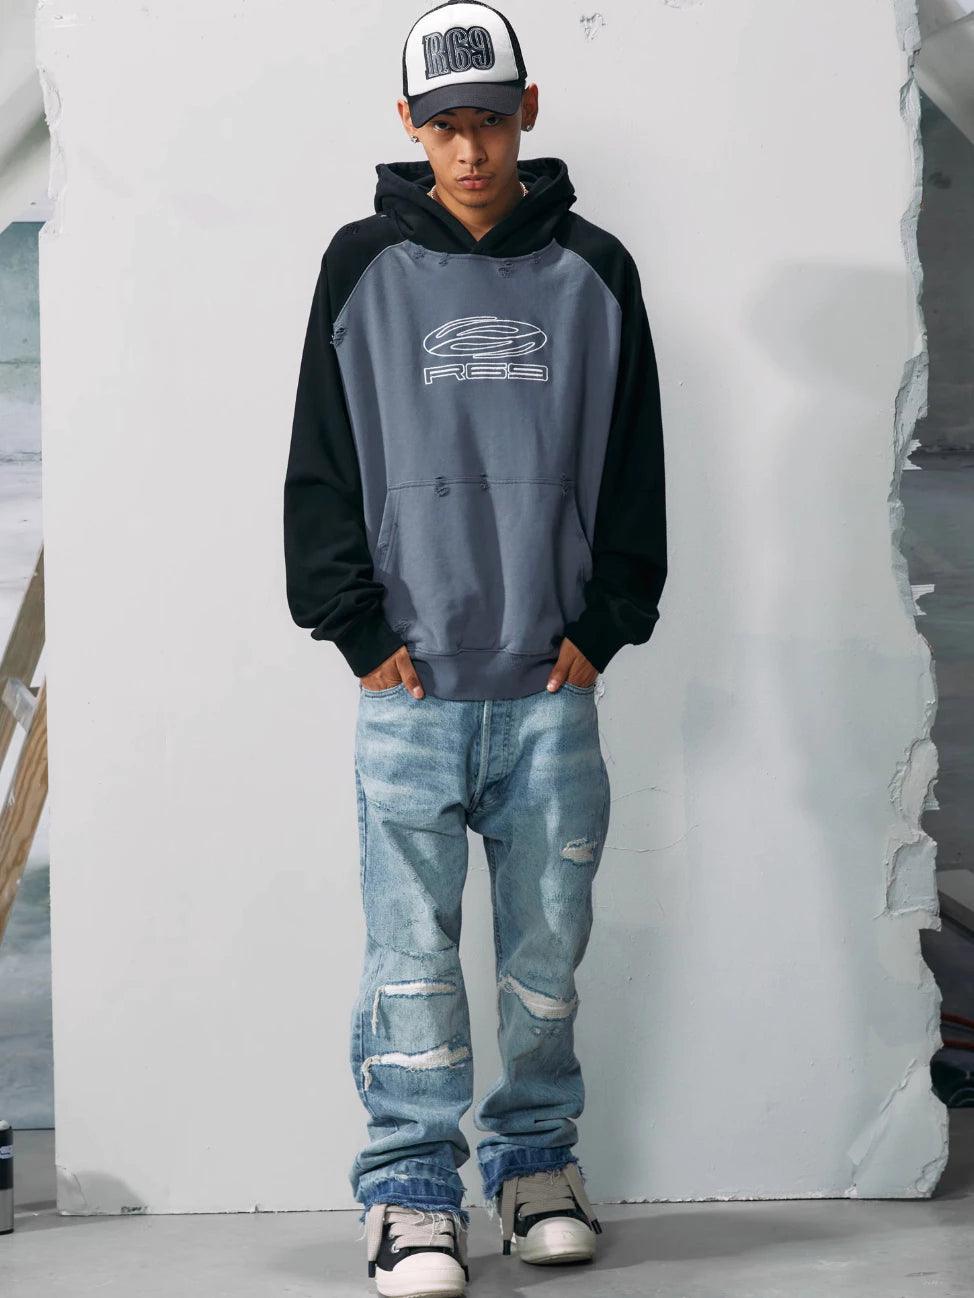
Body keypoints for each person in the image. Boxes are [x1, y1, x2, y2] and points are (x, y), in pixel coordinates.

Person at [282, 2, 666, 1293]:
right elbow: (322, 455)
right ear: (408, 125)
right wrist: (353, 627)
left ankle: (536, 1165)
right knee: (411, 959)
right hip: (412, 685)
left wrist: (607, 620)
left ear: (527, 112)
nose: (469, 150)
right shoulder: (360, 265)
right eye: (444, 125)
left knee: (546, 952)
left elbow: (635, 455)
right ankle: (407, 1192)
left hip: (549, 683)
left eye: (489, 121)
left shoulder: (595, 269)